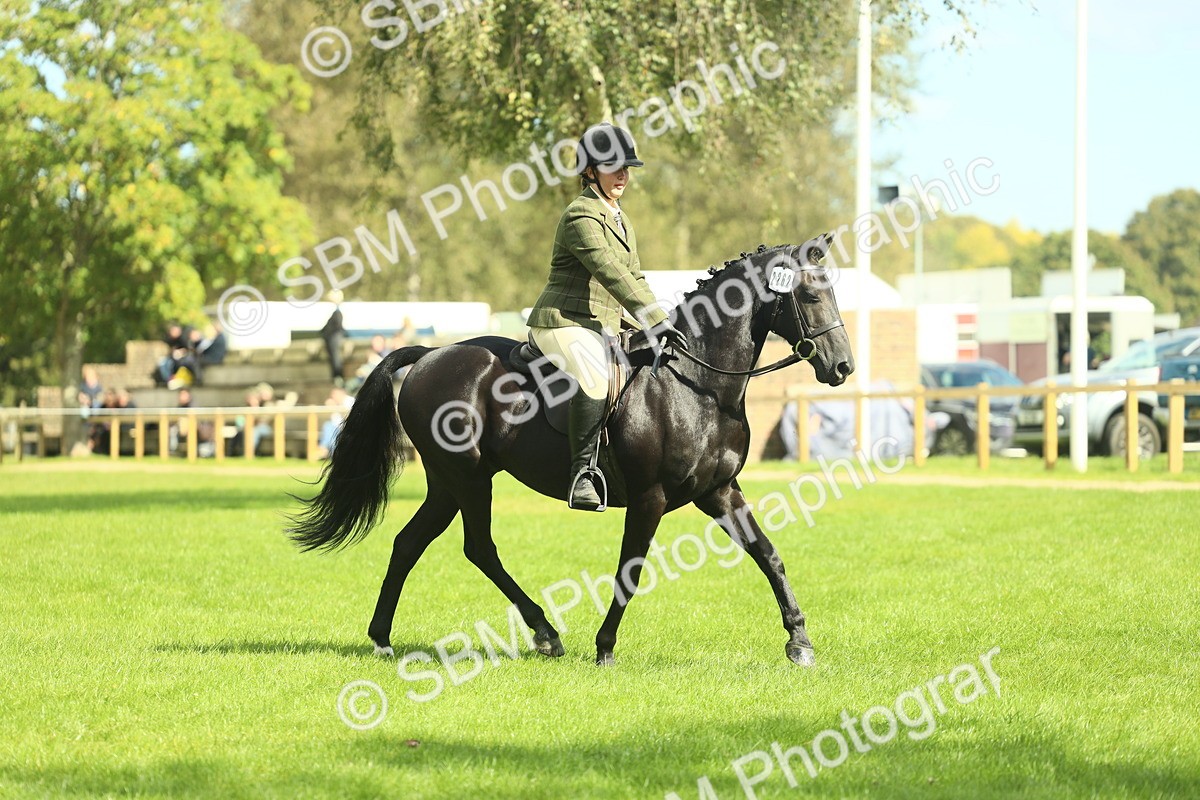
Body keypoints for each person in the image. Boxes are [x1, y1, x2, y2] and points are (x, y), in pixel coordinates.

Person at [526, 122, 684, 511]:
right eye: (613, 167)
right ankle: (582, 475)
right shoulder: (580, 214)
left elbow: (635, 277)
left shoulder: (620, 218)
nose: (622, 175)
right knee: (596, 377)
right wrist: (652, 317)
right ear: (589, 170)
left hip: (600, 324)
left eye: (626, 167)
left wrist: (662, 321)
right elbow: (610, 271)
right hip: (562, 321)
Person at [321, 290, 346, 384]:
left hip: (333, 338)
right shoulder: (336, 312)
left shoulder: (337, 313)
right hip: (332, 338)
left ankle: (338, 377)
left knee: (336, 358)